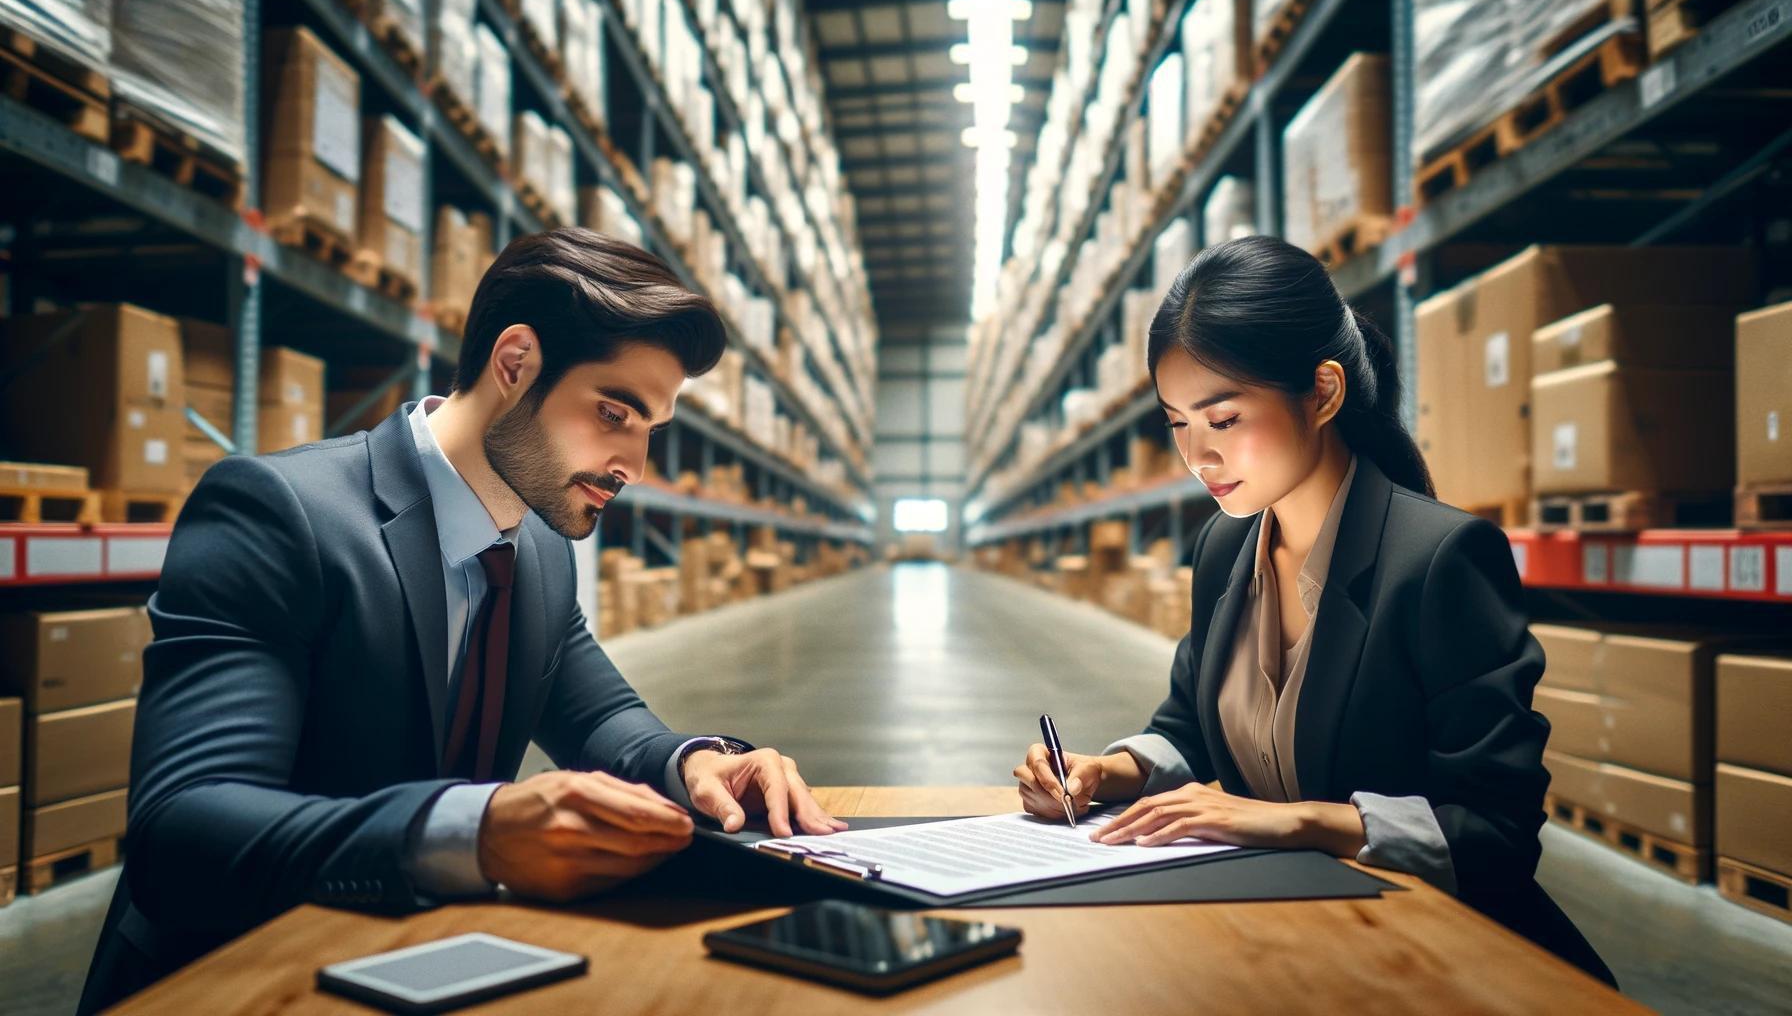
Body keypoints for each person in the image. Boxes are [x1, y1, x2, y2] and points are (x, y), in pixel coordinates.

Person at [81, 229, 846, 1013]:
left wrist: (693, 763)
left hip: (415, 964)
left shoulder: (541, 545)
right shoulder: (282, 514)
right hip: (234, 975)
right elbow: (182, 830)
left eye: (650, 429)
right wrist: (473, 830)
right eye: (613, 412)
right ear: (514, 365)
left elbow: (602, 714)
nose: (633, 466)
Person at [1012, 235, 1613, 985]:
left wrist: (1299, 822)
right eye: (1177, 423)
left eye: (1223, 420)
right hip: (1297, 933)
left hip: (1442, 957)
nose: (1198, 456)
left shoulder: (1440, 560)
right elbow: (1191, 728)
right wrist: (1106, 771)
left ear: (1324, 393)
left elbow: (1495, 833)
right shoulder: (1224, 551)